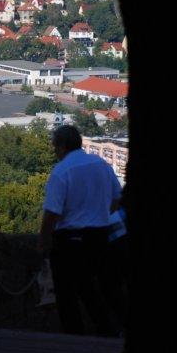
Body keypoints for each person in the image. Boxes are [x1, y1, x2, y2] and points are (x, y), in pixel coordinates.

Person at [39, 125, 122, 336]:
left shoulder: (61, 171)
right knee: (92, 291)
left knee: (67, 296)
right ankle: (107, 335)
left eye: (55, 147)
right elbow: (117, 198)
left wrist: (43, 243)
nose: (54, 151)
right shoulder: (101, 165)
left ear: (63, 147)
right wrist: (100, 212)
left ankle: (75, 340)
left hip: (70, 241)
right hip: (100, 238)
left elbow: (51, 214)